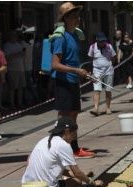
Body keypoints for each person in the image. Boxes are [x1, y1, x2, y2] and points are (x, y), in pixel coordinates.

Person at [51, 2, 95, 158]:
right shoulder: (60, 38)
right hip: (63, 82)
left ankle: (74, 149)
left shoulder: (75, 35)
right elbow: (55, 65)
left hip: (74, 80)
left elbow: (74, 60)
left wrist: (83, 72)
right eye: (74, 15)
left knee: (74, 114)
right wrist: (76, 70)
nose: (78, 18)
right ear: (66, 18)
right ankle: (56, 148)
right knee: (64, 117)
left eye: (78, 15)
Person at [23, 118, 103, 187]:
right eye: (74, 133)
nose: (74, 137)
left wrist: (83, 175)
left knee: (56, 168)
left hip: (28, 186)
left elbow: (30, 159)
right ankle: (64, 180)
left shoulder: (44, 140)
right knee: (78, 181)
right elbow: (77, 173)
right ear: (67, 131)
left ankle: (67, 178)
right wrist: (93, 182)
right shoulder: (64, 145)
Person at [88, 32, 115, 115]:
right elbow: (90, 59)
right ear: (97, 40)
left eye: (104, 41)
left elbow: (113, 57)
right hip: (97, 71)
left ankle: (108, 108)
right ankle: (96, 108)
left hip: (108, 71)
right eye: (101, 41)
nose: (103, 43)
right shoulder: (92, 47)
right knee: (97, 90)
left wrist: (110, 65)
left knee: (108, 90)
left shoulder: (109, 46)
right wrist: (91, 73)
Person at [2, 29, 26, 109]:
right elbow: (7, 58)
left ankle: (20, 103)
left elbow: (23, 55)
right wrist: (18, 54)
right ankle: (12, 104)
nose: (14, 37)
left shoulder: (19, 45)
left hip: (21, 69)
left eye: (15, 35)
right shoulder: (7, 45)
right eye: (13, 35)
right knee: (12, 88)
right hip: (12, 69)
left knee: (20, 87)